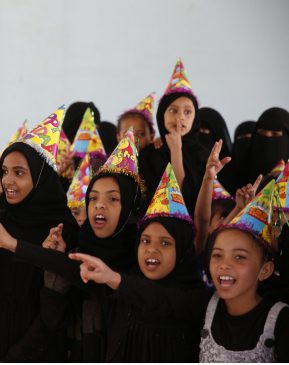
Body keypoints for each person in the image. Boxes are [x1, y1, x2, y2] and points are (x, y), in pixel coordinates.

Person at [0, 128, 143, 361]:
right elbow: (56, 316)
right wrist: (56, 273)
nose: (99, 206)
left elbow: (89, 278)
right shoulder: (79, 244)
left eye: (113, 198)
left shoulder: (141, 255)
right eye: (93, 198)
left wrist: (12, 244)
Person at [0, 108, 79, 361]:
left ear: (40, 177)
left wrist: (18, 355)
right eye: (6, 171)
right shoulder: (1, 220)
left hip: (39, 352)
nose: (8, 180)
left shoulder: (63, 228)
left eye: (19, 172)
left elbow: (59, 305)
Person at [69, 163, 209, 362]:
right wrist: (14, 245)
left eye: (165, 242)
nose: (152, 249)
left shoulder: (196, 300)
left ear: (183, 250)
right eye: (145, 240)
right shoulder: (124, 284)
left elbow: (159, 299)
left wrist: (116, 280)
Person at [200, 180, 289, 362]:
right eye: (217, 255)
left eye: (239, 257)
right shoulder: (203, 306)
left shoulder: (282, 321)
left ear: (264, 270)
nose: (225, 265)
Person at [139, 58, 209, 217]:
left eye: (188, 112)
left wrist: (176, 150)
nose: (180, 117)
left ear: (195, 117)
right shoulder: (149, 153)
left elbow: (185, 198)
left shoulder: (203, 155)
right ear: (161, 114)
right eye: (173, 110)